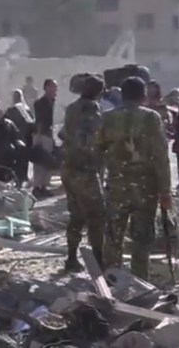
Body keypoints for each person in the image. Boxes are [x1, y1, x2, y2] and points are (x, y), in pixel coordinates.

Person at [96, 76, 172, 280]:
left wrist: (100, 180)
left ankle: (111, 281)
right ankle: (139, 281)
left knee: (113, 237)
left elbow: (97, 150)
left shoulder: (108, 117)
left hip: (117, 186)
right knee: (142, 239)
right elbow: (161, 156)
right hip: (145, 188)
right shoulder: (151, 117)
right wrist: (165, 191)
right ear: (143, 94)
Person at [60, 75, 106, 272]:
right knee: (97, 216)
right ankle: (98, 262)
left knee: (76, 215)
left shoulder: (72, 108)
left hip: (68, 167)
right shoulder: (91, 109)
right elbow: (88, 140)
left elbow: (62, 133)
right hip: (85, 169)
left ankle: (71, 258)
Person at [32, 79, 58, 198]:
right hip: (42, 135)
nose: (54, 90)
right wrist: (37, 137)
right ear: (46, 88)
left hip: (51, 135)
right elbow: (39, 122)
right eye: (52, 87)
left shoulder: (54, 102)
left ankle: (43, 187)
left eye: (55, 87)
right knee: (40, 163)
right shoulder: (40, 103)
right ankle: (37, 187)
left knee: (49, 163)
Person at [6, 89, 35, 186]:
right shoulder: (26, 109)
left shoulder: (12, 110)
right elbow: (31, 123)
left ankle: (19, 179)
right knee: (24, 160)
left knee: (17, 161)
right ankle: (23, 178)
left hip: (17, 139)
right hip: (26, 138)